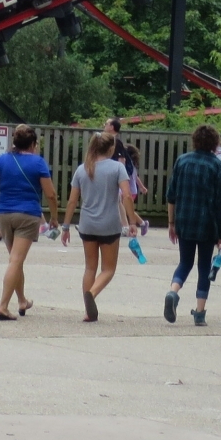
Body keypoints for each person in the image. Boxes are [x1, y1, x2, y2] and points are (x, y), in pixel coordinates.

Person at [0, 125, 60, 320]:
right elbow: (51, 194)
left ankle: (22, 300)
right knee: (16, 260)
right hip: (27, 215)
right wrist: (54, 217)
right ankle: (2, 306)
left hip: (4, 215)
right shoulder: (38, 163)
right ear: (33, 144)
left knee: (15, 260)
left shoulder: (0, 160)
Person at [165, 124, 221, 327]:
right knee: (204, 267)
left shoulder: (182, 161)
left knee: (185, 262)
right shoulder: (218, 166)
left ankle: (173, 292)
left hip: (184, 221)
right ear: (215, 143)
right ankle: (200, 312)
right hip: (208, 224)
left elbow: (171, 196)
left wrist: (171, 223)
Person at [63, 133, 136, 322]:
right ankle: (92, 294)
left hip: (87, 224)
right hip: (109, 225)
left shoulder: (82, 169)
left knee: (90, 267)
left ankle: (88, 312)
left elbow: (72, 201)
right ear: (111, 149)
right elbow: (127, 196)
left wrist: (65, 226)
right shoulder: (117, 168)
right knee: (108, 269)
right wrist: (132, 222)